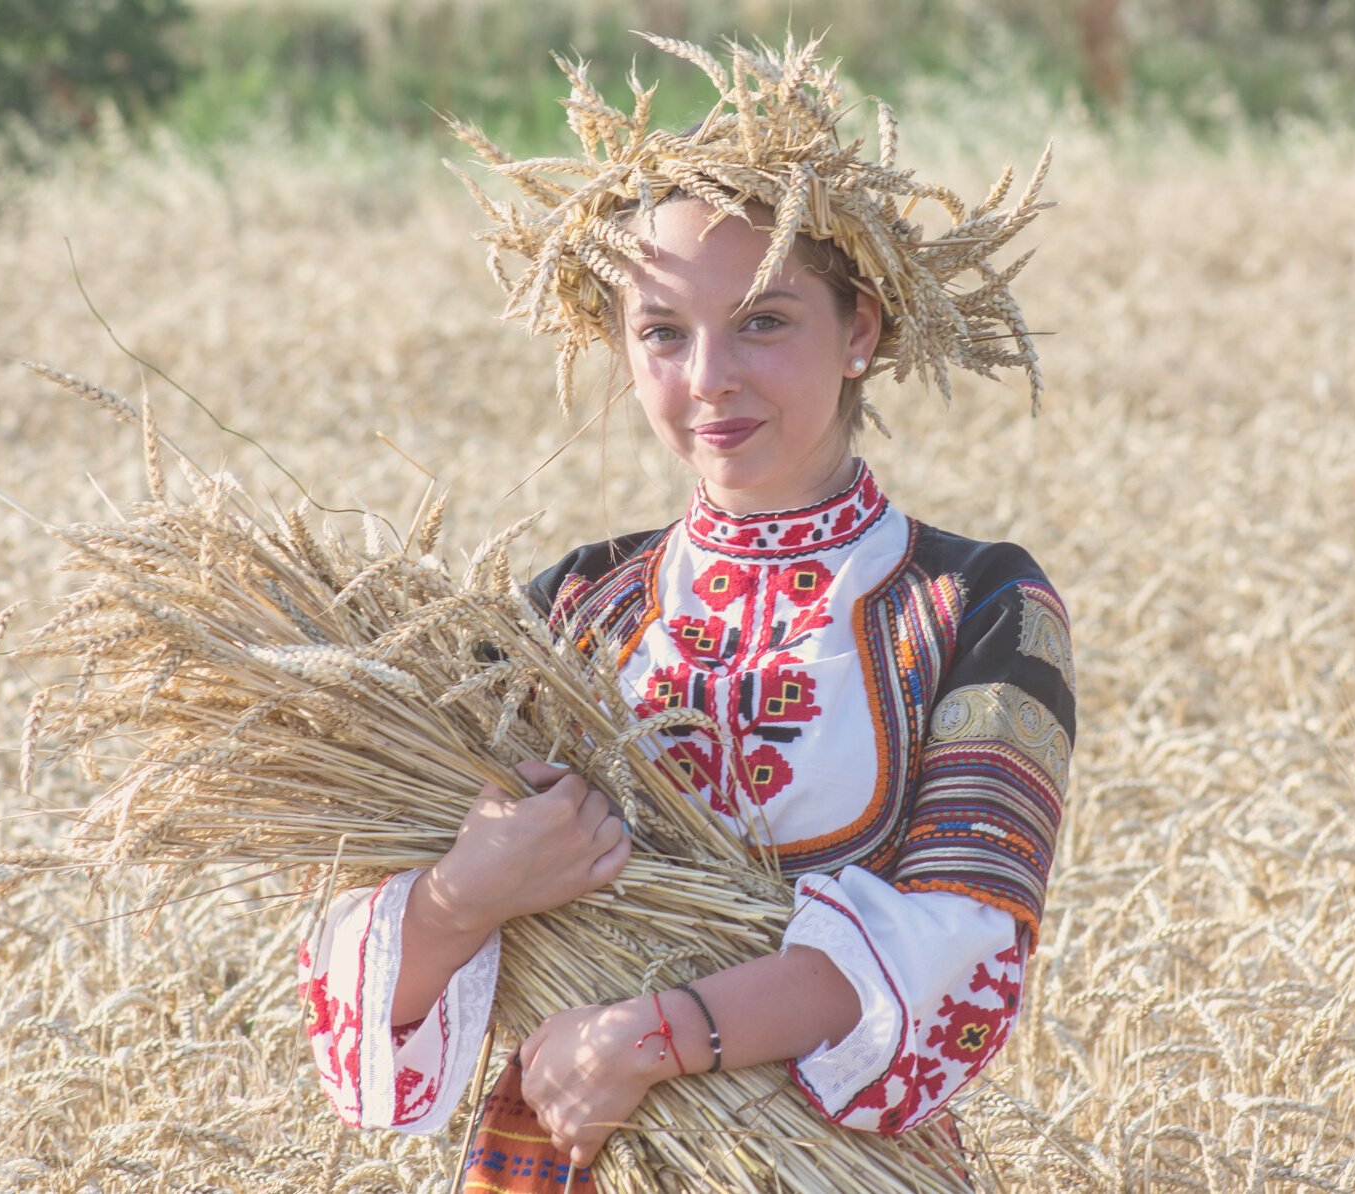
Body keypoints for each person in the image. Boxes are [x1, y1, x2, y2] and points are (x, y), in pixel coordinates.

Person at [298, 33, 1073, 1186]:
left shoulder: (974, 605)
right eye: (662, 331)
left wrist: (647, 1041)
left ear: (860, 330)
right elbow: (365, 984)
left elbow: (964, 943)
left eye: (763, 319)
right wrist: (468, 893)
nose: (709, 376)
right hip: (561, 1159)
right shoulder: (562, 610)